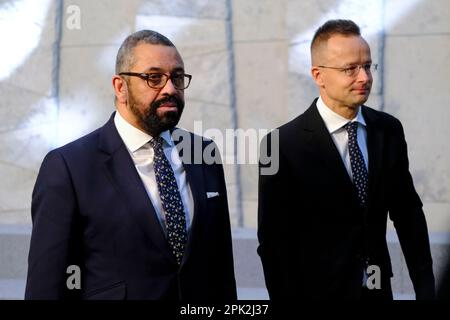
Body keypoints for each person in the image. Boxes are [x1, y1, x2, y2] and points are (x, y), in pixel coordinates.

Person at [25, 30, 237, 300]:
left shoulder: (203, 153)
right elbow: (46, 287)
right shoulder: (68, 167)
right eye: (154, 78)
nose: (170, 88)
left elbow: (221, 270)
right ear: (120, 87)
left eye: (177, 77)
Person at [257, 19, 435, 300]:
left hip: (378, 289)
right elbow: (274, 242)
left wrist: (426, 288)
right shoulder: (280, 145)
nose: (364, 77)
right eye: (350, 69)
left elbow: (408, 213)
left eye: (367, 66)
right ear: (319, 75)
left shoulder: (387, 130)